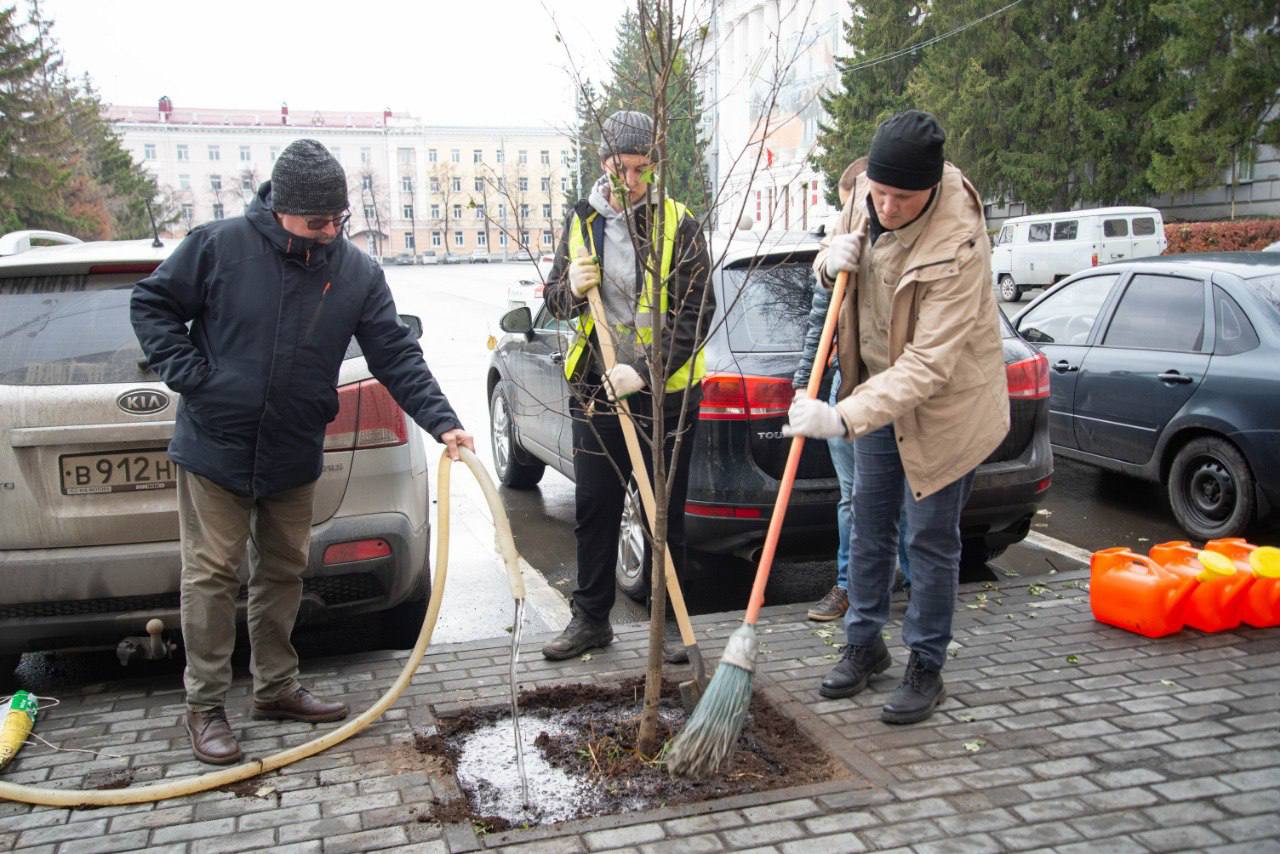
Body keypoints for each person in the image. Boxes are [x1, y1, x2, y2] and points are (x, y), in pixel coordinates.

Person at [132, 139, 475, 765]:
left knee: (284, 570)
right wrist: (191, 375)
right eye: (316, 221)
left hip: (292, 449)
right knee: (211, 576)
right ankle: (205, 707)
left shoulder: (355, 272)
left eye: (337, 220)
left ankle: (275, 688)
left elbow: (394, 353)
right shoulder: (219, 247)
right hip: (216, 447)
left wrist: (443, 422)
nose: (328, 232)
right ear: (279, 208)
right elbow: (151, 303)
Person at [784, 111, 1008, 724]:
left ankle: (926, 665)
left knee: (929, 539)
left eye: (901, 198)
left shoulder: (959, 245)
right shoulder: (867, 193)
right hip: (874, 391)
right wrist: (829, 259)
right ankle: (864, 645)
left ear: (931, 189)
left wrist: (840, 417)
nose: (885, 206)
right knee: (868, 523)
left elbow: (929, 365)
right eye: (877, 193)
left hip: (942, 408)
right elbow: (828, 266)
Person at [540, 110, 713, 662]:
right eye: (621, 170)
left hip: (667, 395)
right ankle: (591, 619)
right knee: (595, 506)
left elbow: (694, 312)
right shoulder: (582, 220)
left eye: (642, 170)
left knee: (664, 512)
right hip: (596, 387)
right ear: (603, 163)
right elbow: (556, 301)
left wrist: (645, 369)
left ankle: (668, 625)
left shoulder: (678, 224)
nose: (632, 183)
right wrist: (568, 287)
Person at [799, 159, 912, 623]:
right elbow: (818, 324)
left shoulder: (907, 250)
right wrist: (800, 388)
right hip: (846, 388)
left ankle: (903, 579)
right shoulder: (842, 252)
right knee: (853, 496)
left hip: (898, 393)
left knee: (906, 498)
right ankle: (850, 584)